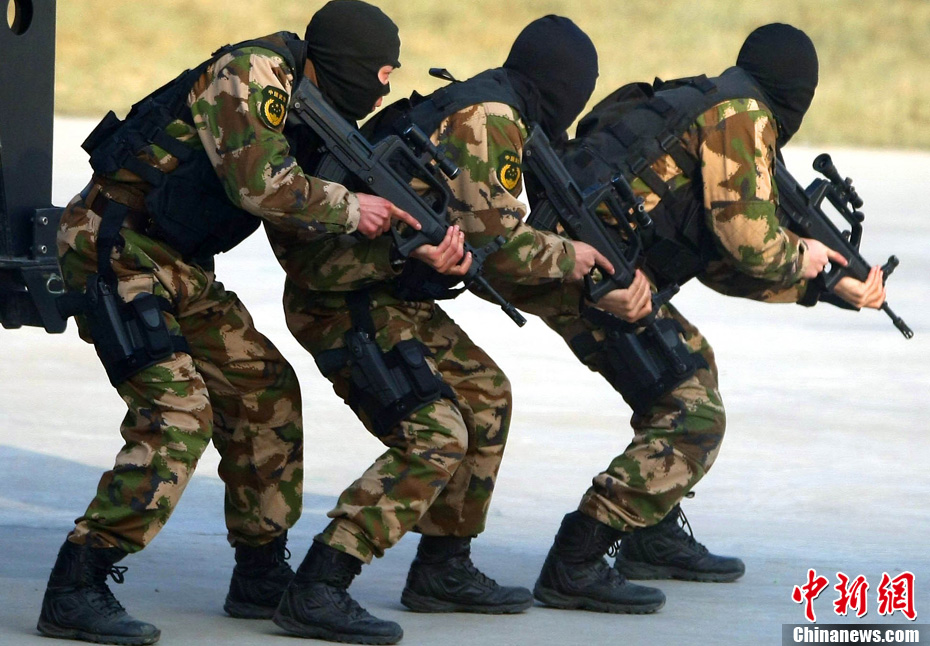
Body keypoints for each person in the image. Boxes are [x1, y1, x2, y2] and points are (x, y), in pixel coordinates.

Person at [37, 2, 428, 644]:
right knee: (178, 413)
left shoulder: (310, 108)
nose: (383, 91)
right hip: (115, 243)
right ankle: (78, 581)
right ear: (350, 64)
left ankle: (260, 575)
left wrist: (413, 246)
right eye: (381, 74)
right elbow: (258, 185)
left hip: (177, 260)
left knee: (263, 389)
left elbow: (296, 227)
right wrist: (351, 207)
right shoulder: (255, 71)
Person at [501, 22, 885, 613]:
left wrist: (822, 288)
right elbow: (749, 244)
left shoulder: (712, 99)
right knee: (693, 415)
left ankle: (650, 533)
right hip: (586, 268)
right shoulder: (742, 116)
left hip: (596, 256)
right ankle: (576, 558)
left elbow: (716, 263)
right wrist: (805, 260)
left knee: (692, 366)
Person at [265, 14, 615, 646]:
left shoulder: (496, 106)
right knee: (435, 433)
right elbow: (497, 246)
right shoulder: (491, 117)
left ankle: (443, 567)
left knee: (486, 394)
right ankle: (320, 583)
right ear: (565, 86)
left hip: (384, 283)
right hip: (340, 295)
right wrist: (575, 259)